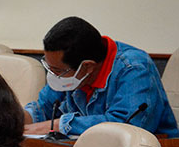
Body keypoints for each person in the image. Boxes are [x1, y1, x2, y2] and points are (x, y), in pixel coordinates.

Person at [24, 16, 178, 137]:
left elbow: (126, 126)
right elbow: (44, 107)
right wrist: (14, 120)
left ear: (88, 66)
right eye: (49, 68)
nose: (53, 75)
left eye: (57, 70)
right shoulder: (73, 71)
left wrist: (59, 125)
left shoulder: (134, 68)